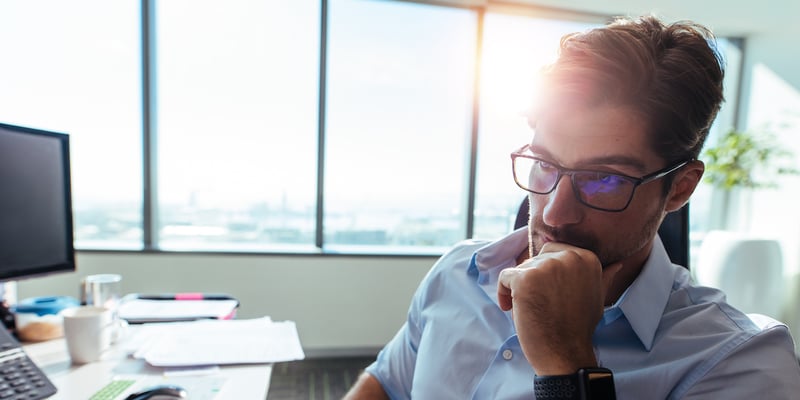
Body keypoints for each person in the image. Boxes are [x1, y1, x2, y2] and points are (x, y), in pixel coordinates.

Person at [344, 14, 800, 399]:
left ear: (680, 188)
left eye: (605, 179)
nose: (554, 214)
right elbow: (386, 383)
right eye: (543, 164)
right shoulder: (458, 272)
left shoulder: (742, 363)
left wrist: (566, 364)